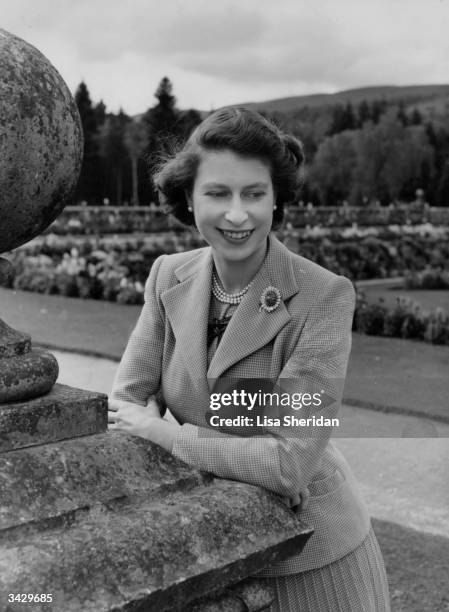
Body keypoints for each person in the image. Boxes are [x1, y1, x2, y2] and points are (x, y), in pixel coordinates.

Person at [108, 107, 390, 611]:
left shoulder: (323, 296)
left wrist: (167, 435)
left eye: (253, 193)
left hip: (311, 559)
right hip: (213, 550)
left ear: (276, 197)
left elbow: (289, 463)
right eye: (217, 193)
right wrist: (245, 464)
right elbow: (125, 404)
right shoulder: (167, 275)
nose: (237, 214)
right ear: (189, 198)